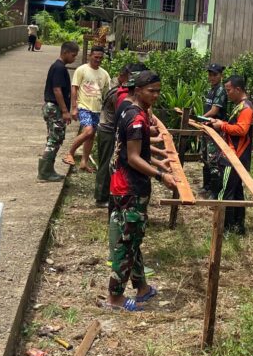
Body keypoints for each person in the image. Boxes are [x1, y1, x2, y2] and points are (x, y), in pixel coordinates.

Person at [106, 70, 178, 311]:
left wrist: (158, 162)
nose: (156, 95)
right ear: (138, 90)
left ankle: (142, 288)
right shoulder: (137, 119)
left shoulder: (127, 109)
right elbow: (135, 158)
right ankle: (115, 299)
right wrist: (160, 176)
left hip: (119, 183)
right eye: (151, 91)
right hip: (130, 188)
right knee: (126, 243)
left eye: (158, 90)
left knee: (133, 238)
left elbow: (131, 152)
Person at [93, 62, 147, 207]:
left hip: (111, 129)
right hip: (108, 130)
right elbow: (124, 120)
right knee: (108, 163)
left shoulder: (121, 90)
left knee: (109, 162)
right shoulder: (123, 97)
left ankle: (106, 195)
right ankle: (101, 197)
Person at [206, 74, 253, 234]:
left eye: (229, 90)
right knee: (236, 191)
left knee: (226, 191)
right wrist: (221, 124)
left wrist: (222, 126)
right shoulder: (240, 106)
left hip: (235, 156)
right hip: (236, 155)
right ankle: (238, 227)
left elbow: (242, 130)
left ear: (238, 89)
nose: (227, 93)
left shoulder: (246, 108)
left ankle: (223, 228)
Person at [65, 45, 111, 173]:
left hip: (96, 108)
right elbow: (74, 88)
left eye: (101, 58)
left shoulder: (105, 74)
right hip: (83, 106)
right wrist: (74, 108)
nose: (98, 60)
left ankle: (84, 162)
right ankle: (69, 153)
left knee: (91, 137)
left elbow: (107, 94)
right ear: (90, 55)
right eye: (96, 57)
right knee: (88, 131)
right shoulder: (81, 70)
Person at [38, 41, 79, 182]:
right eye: (73, 55)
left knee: (55, 138)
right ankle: (44, 172)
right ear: (65, 52)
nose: (74, 58)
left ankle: (48, 169)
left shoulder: (59, 67)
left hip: (54, 107)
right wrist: (64, 110)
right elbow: (57, 89)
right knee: (54, 139)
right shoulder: (59, 68)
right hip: (54, 107)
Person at [200, 63, 228, 196]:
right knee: (204, 157)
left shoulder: (221, 90)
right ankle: (207, 186)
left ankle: (215, 191)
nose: (211, 77)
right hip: (207, 128)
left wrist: (201, 118)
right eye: (210, 74)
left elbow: (215, 110)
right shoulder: (211, 89)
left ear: (220, 76)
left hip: (215, 130)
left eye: (214, 75)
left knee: (213, 160)